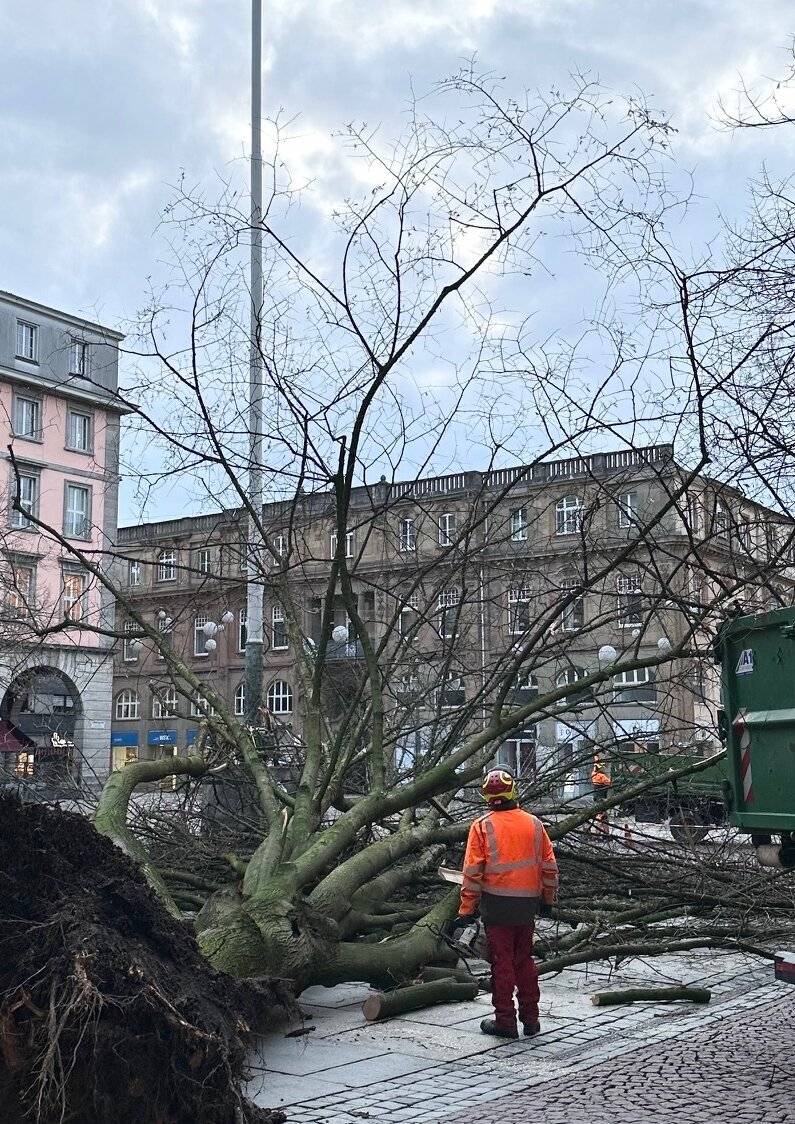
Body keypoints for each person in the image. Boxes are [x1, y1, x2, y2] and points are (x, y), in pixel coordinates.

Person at [451, 767, 558, 1039]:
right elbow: (549, 866)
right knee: (524, 961)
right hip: (527, 905)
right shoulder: (534, 824)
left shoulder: (482, 826)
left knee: (502, 964)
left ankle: (505, 1022)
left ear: (487, 796)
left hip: (496, 905)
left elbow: (472, 872)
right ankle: (531, 1020)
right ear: (514, 791)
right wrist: (548, 899)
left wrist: (466, 910)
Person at [591, 757, 611, 835]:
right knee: (602, 816)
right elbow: (609, 783)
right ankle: (600, 833)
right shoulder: (602, 776)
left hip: (596, 798)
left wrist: (597, 757)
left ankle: (602, 833)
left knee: (601, 816)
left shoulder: (593, 774)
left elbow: (596, 764)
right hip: (602, 798)